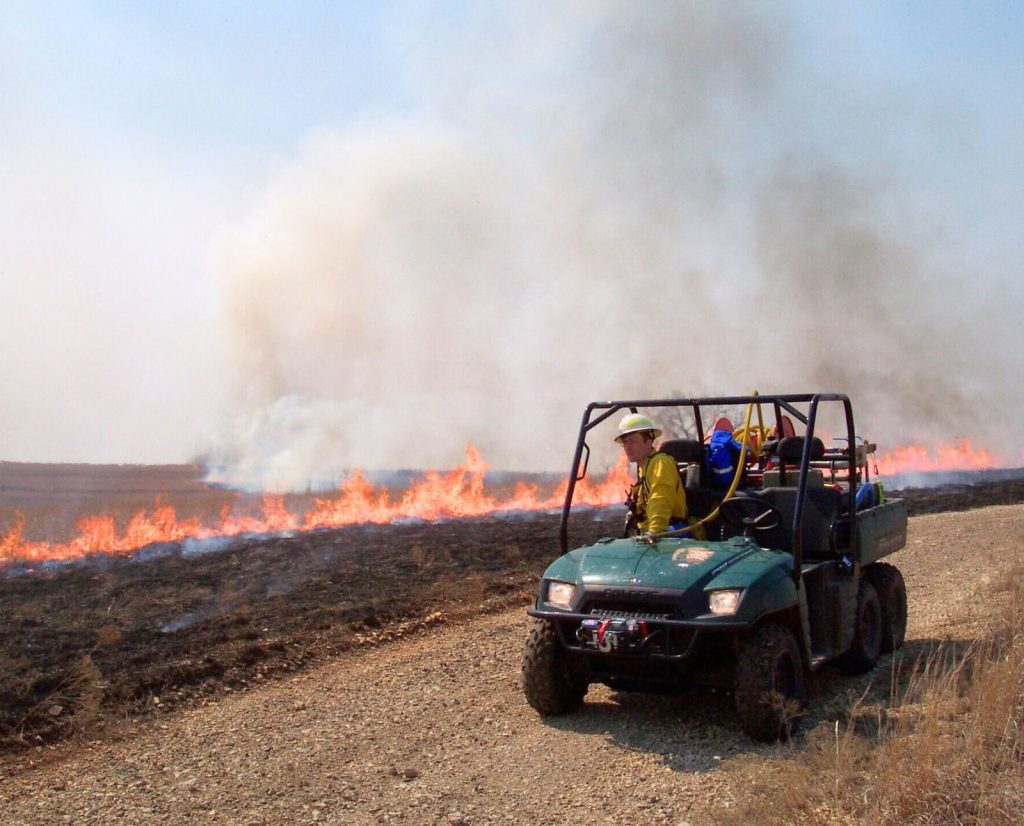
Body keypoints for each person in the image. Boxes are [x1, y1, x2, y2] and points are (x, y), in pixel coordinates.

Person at [615, 413, 694, 537]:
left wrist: (655, 531)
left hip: (673, 533)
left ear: (649, 440)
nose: (627, 447)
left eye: (632, 441)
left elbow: (661, 498)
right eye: (624, 442)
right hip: (654, 533)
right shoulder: (644, 468)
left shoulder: (661, 463)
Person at [705, 417, 748, 489]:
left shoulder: (710, 444)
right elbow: (744, 450)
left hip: (714, 484)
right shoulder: (729, 440)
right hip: (731, 484)